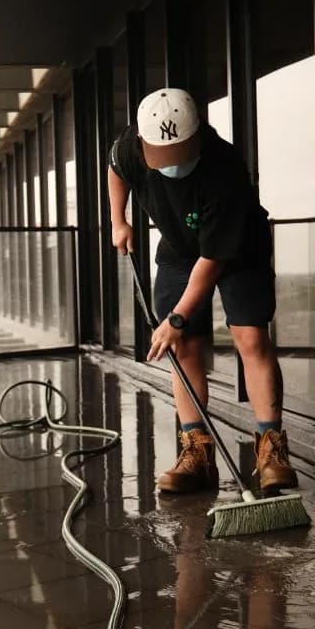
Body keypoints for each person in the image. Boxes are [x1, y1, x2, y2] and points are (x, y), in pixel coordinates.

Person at [107, 86, 297, 496]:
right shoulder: (131, 147)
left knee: (250, 337)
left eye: (179, 152)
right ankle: (197, 452)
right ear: (144, 143)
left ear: (197, 136)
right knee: (185, 347)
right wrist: (117, 220)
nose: (171, 164)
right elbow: (116, 170)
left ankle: (271, 451)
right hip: (178, 248)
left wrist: (176, 318)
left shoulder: (223, 168)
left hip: (237, 248)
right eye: (162, 155)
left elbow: (211, 263)